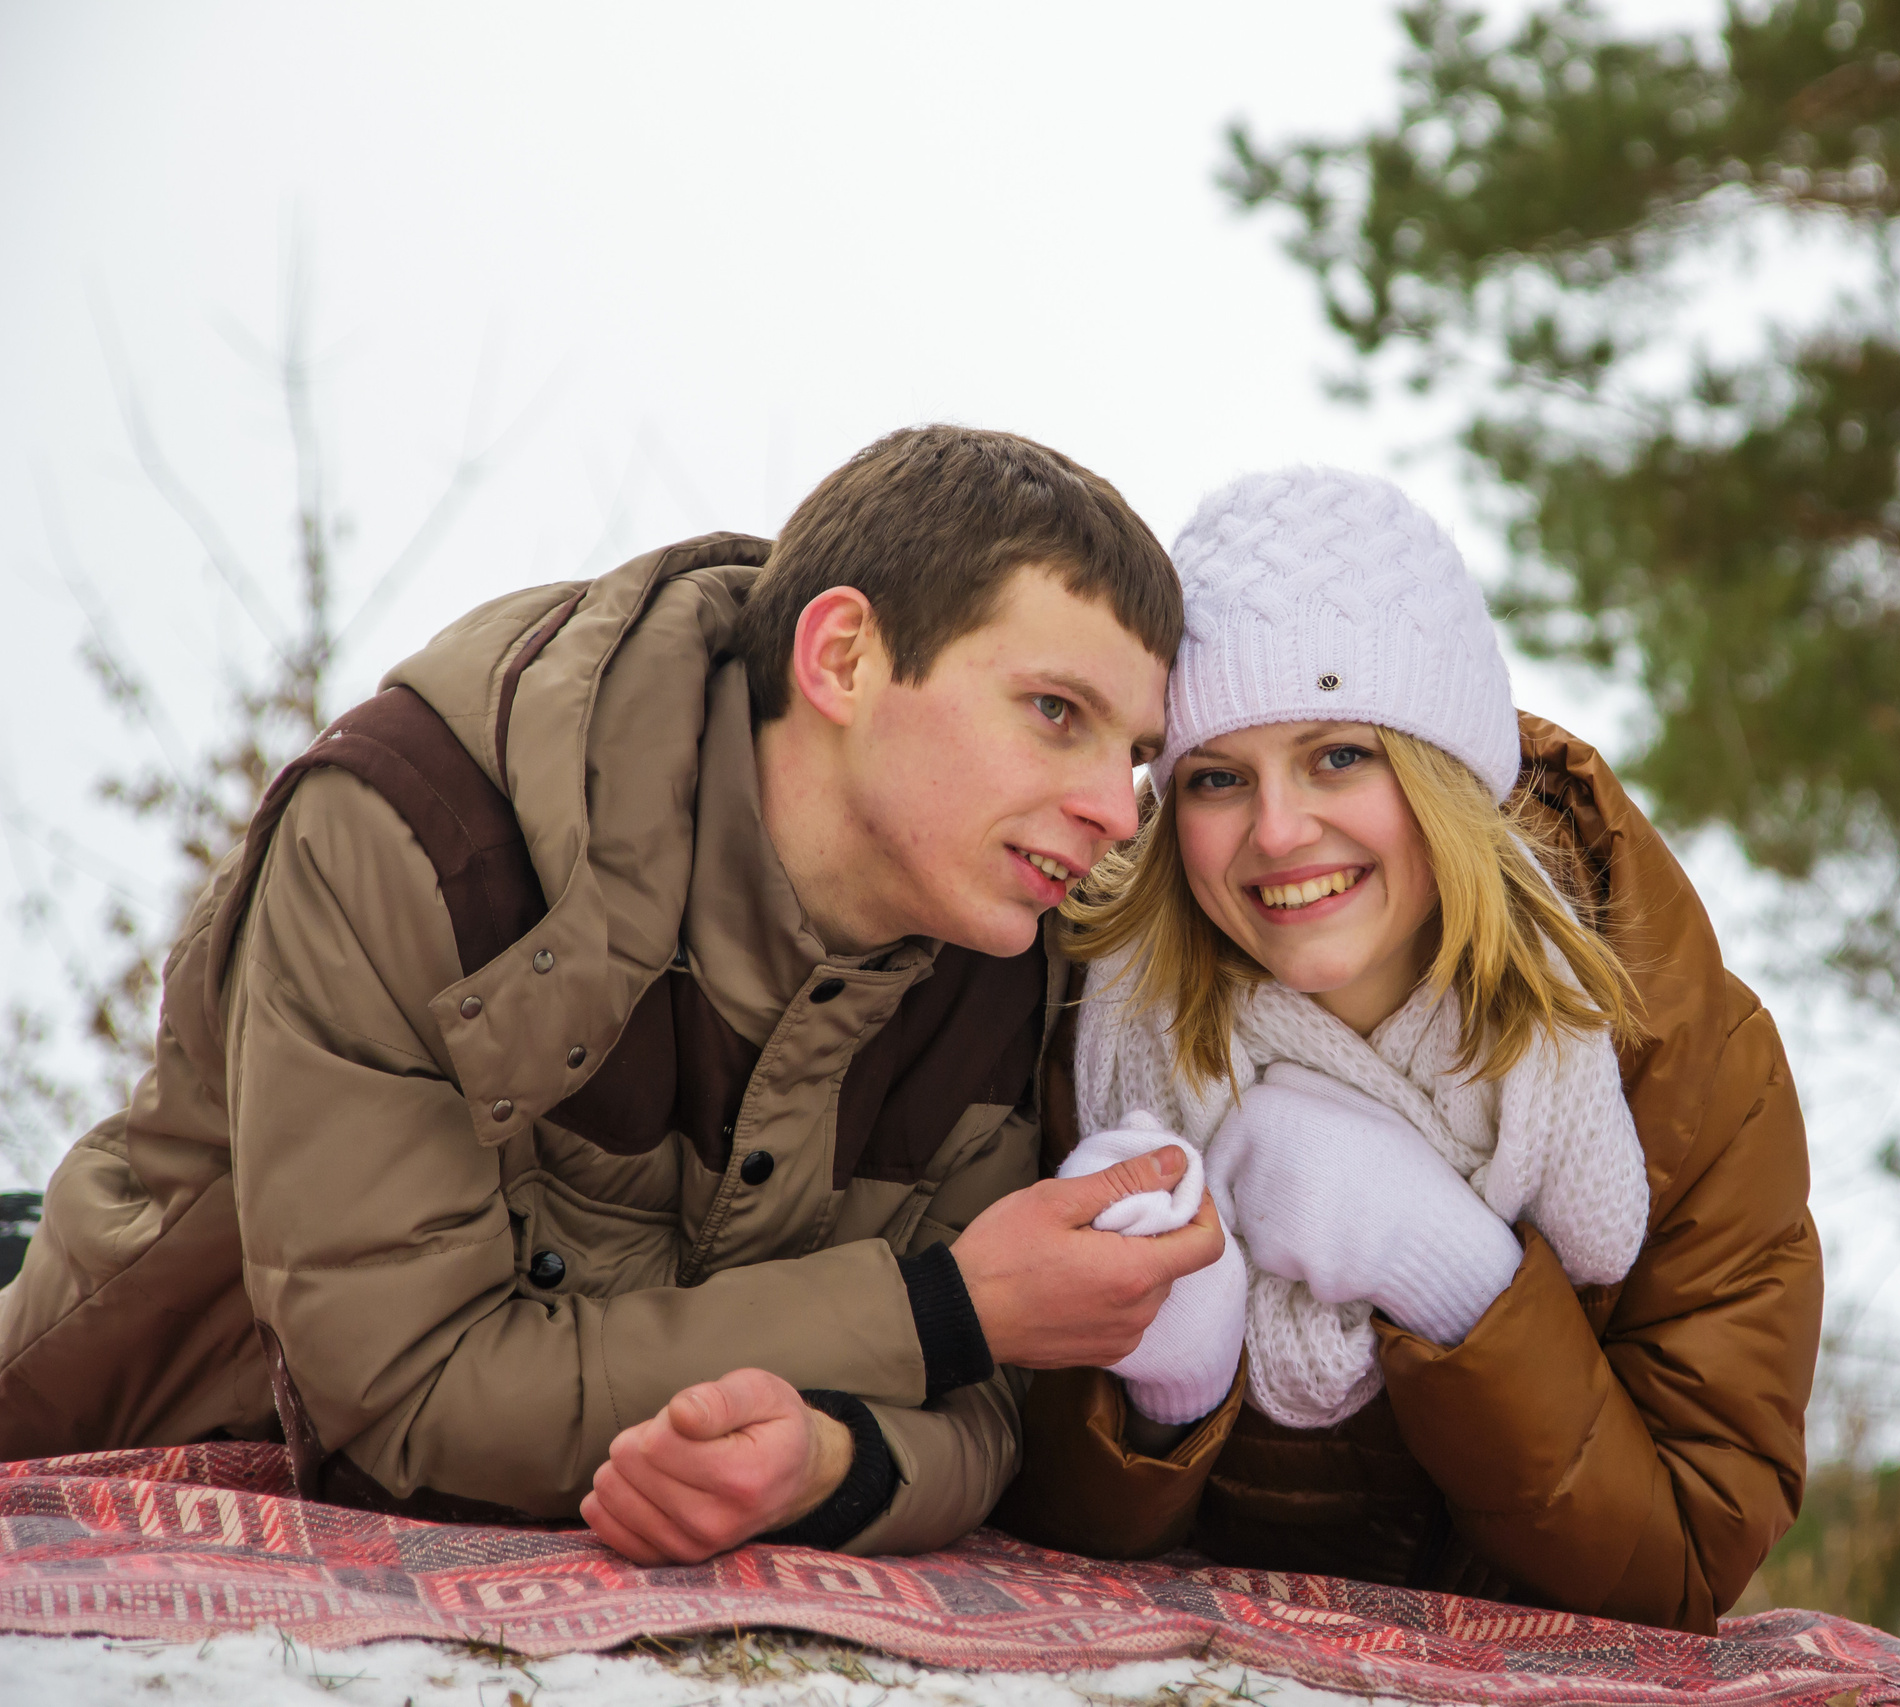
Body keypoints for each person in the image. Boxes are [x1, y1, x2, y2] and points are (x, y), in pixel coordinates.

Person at [0, 425, 1223, 1561]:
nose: (1116, 812)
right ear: (842, 657)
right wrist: (931, 1312)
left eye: (1126, 754)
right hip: (137, 1468)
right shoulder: (419, 839)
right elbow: (407, 1406)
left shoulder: (1009, 949)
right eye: (1053, 712)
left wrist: (829, 1464)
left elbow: (985, 1405)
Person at [993, 469, 1822, 1634]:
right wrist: (1162, 1386)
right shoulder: (1082, 1018)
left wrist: (1448, 1272)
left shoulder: (1679, 1059)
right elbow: (1021, 1539)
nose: (1278, 833)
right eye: (1219, 779)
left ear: (1441, 775)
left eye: (1338, 755)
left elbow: (1682, 1560)